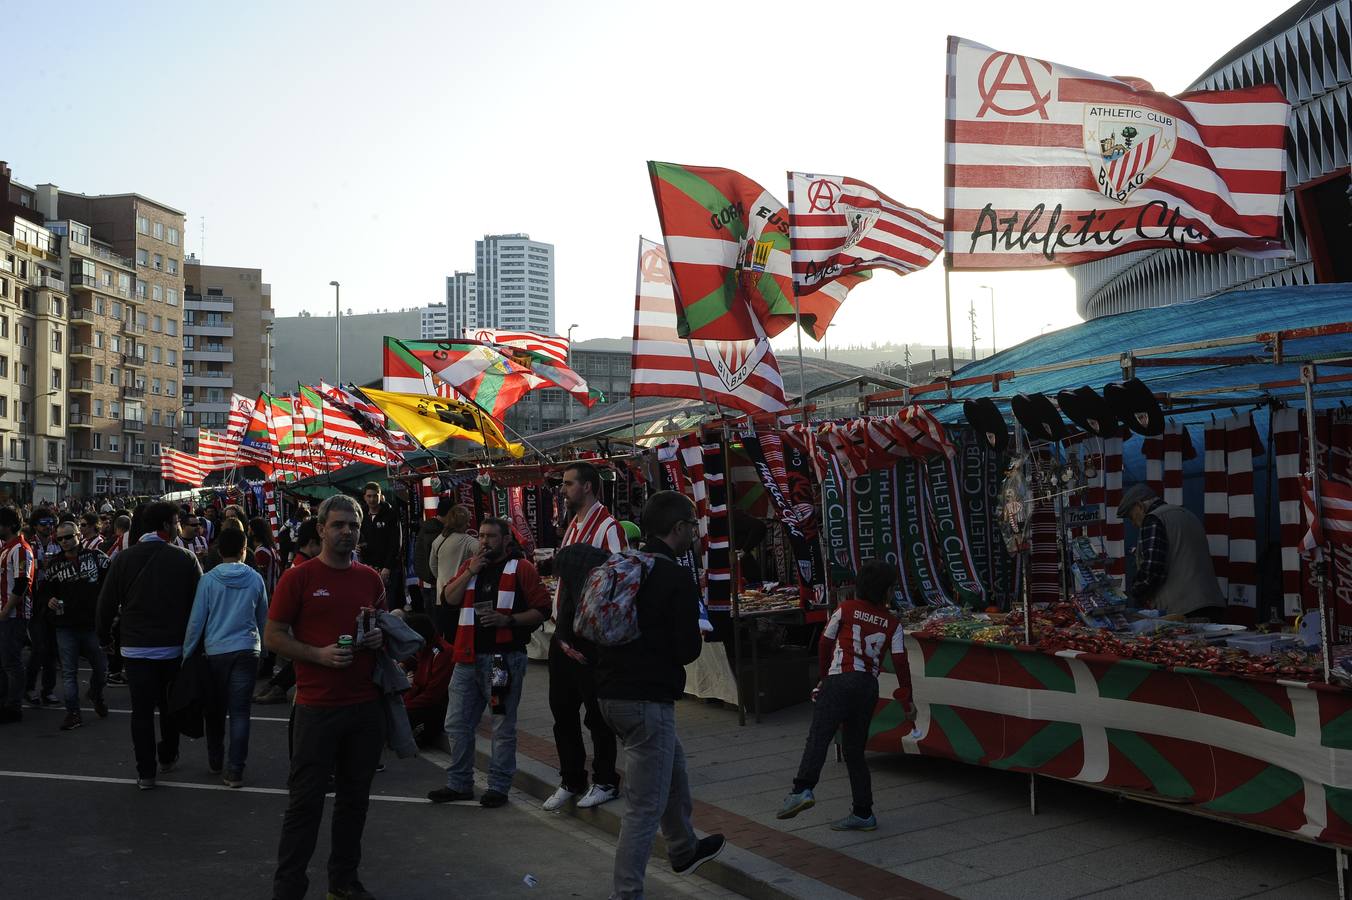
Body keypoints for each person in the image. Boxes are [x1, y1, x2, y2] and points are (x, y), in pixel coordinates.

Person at [596, 491, 723, 897]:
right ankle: (626, 892)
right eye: (691, 526)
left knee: (675, 768)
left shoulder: (622, 563)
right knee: (643, 808)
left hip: (611, 693)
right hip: (647, 699)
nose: (694, 534)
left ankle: (683, 847)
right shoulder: (673, 576)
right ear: (678, 528)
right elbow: (687, 649)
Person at [265, 494, 387, 900]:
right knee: (305, 805)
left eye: (353, 525)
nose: (347, 532)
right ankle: (289, 889)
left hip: (364, 706)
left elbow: (382, 627)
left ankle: (344, 881)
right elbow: (274, 636)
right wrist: (317, 654)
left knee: (355, 802)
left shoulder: (371, 579)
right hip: (316, 708)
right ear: (320, 530)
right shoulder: (298, 578)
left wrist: (377, 636)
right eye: (338, 525)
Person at [428, 516, 549, 808]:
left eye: (491, 536)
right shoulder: (470, 568)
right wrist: (469, 572)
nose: (484, 541)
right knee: (456, 724)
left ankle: (498, 786)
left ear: (506, 539)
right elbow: (449, 599)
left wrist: (508, 619)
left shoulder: (521, 568)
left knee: (501, 725)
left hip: (500, 661)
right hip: (466, 659)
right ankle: (459, 784)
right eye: (481, 536)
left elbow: (542, 609)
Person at [777, 561, 905, 831]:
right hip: (868, 686)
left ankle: (802, 789)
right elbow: (900, 661)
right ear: (885, 592)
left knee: (819, 736)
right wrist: (907, 698)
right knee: (855, 751)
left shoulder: (845, 609)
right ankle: (863, 812)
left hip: (840, 679)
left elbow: (825, 642)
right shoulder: (893, 624)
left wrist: (824, 678)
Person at [96, 501, 203, 790]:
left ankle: (146, 772)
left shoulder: (124, 559)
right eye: (177, 521)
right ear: (167, 525)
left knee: (141, 712)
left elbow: (106, 605)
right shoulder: (185, 559)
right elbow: (201, 606)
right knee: (170, 706)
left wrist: (103, 637)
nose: (179, 527)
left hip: (135, 649)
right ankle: (167, 754)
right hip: (173, 648)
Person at [183, 526, 269, 787]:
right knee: (240, 713)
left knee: (215, 710)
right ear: (245, 551)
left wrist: (187, 654)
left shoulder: (208, 580)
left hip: (215, 651)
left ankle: (215, 758)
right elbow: (263, 618)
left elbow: (197, 621)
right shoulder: (255, 579)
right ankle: (235, 770)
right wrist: (265, 650)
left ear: (219, 550)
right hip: (247, 649)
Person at [543, 540, 620, 812]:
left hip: (588, 655)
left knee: (597, 719)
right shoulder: (572, 592)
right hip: (564, 651)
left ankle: (605, 780)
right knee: (563, 717)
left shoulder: (595, 591)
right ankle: (572, 778)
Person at [43, 520, 112, 732]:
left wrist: (112, 612)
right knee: (69, 673)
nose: (64, 542)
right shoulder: (54, 564)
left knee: (102, 669)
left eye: (68, 537)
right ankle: (73, 713)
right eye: (60, 538)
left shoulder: (96, 557)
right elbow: (45, 591)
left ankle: (96, 694)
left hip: (92, 625)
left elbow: (112, 582)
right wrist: (49, 600)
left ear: (78, 536)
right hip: (66, 626)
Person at [1118, 484, 1225, 619]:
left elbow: (1153, 569)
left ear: (1140, 506)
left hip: (1184, 608)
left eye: (1131, 516)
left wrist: (1133, 593)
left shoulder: (1152, 519)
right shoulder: (1187, 514)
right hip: (1211, 602)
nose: (1133, 523)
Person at [253, 519, 320, 706]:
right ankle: (277, 686)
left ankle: (276, 685)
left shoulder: (300, 562)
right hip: (295, 622)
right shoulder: (302, 567)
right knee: (303, 655)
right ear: (313, 543)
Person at [23, 508, 61, 707]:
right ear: (35, 526)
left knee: (53, 650)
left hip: (54, 602)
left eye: (51, 523)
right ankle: (29, 688)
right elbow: (23, 571)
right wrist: (40, 565)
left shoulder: (58, 545)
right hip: (36, 602)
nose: (48, 526)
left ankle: (48, 690)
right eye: (44, 523)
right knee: (39, 648)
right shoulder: (29, 545)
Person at [400, 613, 455, 748]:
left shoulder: (442, 653)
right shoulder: (422, 649)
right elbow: (409, 662)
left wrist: (404, 706)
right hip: (421, 699)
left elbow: (433, 695)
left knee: (401, 716)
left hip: (437, 707)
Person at [0, 507, 34, 723]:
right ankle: (5, 703)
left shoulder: (20, 549)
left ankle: (13, 707)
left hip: (13, 616)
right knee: (4, 662)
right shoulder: (8, 548)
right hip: (6, 614)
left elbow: (22, 584)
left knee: (11, 662)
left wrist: (5, 612)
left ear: (10, 525)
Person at [428, 503, 477, 635]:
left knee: (446, 638)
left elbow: (432, 566)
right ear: (462, 523)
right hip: (461, 597)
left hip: (441, 596)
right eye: (467, 521)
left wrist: (442, 579)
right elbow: (483, 552)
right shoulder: (467, 540)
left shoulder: (439, 540)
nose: (468, 525)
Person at [559, 462, 626, 552]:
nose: (562, 490)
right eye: (563, 485)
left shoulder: (609, 528)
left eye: (568, 484)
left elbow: (620, 565)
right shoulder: (573, 527)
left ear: (587, 487)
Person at [357, 482, 403, 611]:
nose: (372, 499)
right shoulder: (361, 515)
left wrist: (387, 567)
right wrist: (357, 546)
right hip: (367, 565)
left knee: (387, 601)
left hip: (386, 567)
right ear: (365, 497)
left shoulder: (390, 514)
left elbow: (395, 543)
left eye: (375, 496)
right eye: (369, 496)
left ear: (380, 496)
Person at [412, 500, 446, 615]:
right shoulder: (438, 532)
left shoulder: (427, 528)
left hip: (426, 581)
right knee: (438, 621)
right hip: (434, 583)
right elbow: (434, 561)